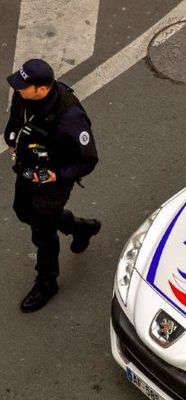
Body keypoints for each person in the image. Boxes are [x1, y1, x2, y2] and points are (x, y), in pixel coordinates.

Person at [4, 59, 100, 313]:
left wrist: (57, 175)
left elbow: (88, 160)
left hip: (52, 184)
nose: (18, 89)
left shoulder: (70, 116)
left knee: (42, 231)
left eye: (24, 86)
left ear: (42, 88)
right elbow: (15, 124)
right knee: (23, 211)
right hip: (27, 171)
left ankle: (47, 281)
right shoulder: (23, 97)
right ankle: (79, 228)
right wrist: (12, 140)